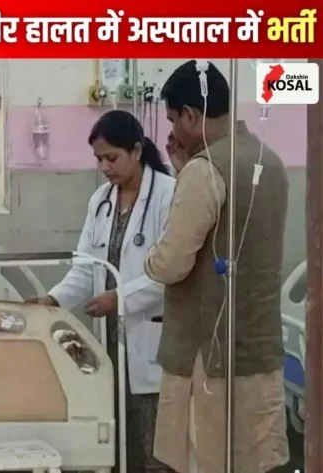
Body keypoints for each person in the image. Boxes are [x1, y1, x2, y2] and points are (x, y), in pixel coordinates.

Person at [146, 60, 289, 473]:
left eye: (173, 120)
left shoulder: (205, 169)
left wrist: (151, 257)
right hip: (258, 350)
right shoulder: (270, 162)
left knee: (205, 460)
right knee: (254, 460)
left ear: (191, 115)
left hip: (207, 360)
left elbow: (170, 264)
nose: (173, 132)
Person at [26, 109, 176, 473]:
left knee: (155, 444)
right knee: (118, 441)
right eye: (99, 159)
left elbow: (170, 272)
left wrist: (119, 298)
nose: (105, 167)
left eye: (112, 157)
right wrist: (53, 299)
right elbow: (85, 267)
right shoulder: (101, 201)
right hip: (109, 339)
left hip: (152, 336)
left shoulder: (169, 194)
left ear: (136, 151)